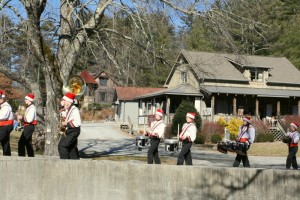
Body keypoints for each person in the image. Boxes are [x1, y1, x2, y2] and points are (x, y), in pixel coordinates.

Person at [58, 92, 81, 159]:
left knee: (62, 146)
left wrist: (66, 123)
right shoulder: (68, 109)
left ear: (69, 101)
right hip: (68, 130)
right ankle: (75, 164)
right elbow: (64, 118)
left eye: (64, 100)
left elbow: (77, 122)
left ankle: (65, 164)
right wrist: (63, 108)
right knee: (72, 149)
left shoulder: (74, 109)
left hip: (73, 131)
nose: (63, 102)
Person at [0, 90, 14, 156]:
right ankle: (7, 156)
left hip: (6, 126)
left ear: (3, 99)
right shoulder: (2, 106)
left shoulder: (6, 106)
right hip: (4, 126)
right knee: (5, 142)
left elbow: (3, 117)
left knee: (2, 139)